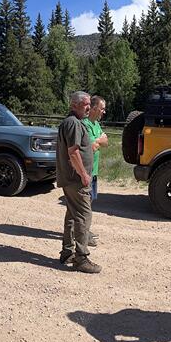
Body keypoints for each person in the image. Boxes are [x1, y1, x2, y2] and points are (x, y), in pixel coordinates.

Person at [55, 91, 100, 274]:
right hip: (76, 179)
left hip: (71, 179)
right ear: (74, 105)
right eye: (85, 104)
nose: (89, 107)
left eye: (89, 104)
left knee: (72, 215)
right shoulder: (73, 123)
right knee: (83, 216)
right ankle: (81, 258)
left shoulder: (74, 122)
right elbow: (73, 152)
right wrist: (84, 174)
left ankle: (67, 252)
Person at [84, 95, 108, 247]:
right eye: (102, 108)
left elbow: (105, 142)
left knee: (89, 202)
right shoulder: (85, 124)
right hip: (85, 171)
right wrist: (99, 140)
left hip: (94, 171)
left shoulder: (96, 123)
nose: (103, 112)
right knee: (84, 205)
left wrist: (98, 140)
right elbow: (91, 147)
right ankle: (81, 234)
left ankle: (83, 230)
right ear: (93, 109)